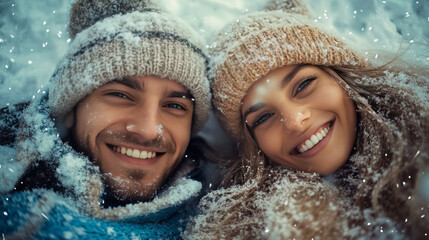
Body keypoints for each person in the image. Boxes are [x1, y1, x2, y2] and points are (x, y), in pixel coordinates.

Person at [184, 0, 429, 239]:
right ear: (252, 145)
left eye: (303, 85)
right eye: (264, 117)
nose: (294, 120)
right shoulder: (247, 227)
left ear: (342, 76)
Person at [0, 0, 212, 239]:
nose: (148, 130)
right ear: (71, 110)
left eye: (174, 105)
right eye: (120, 95)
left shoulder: (218, 222)